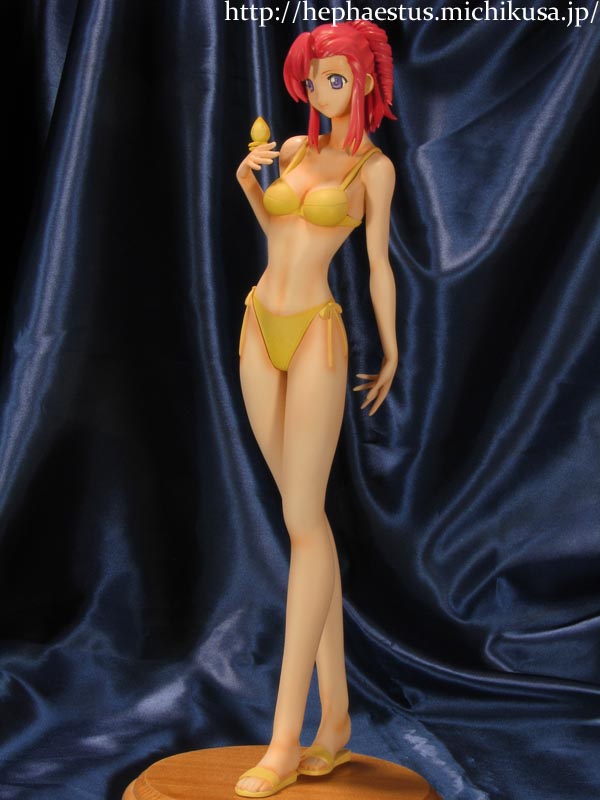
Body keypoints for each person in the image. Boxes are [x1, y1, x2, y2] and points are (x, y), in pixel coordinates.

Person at [235, 19, 398, 798]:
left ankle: (284, 740)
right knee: (305, 523)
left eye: (334, 77)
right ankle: (335, 719)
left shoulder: (373, 168)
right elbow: (279, 231)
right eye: (312, 79)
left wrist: (391, 347)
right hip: (257, 323)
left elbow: (376, 266)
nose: (320, 90)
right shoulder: (296, 151)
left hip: (316, 338)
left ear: (364, 80)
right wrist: (248, 182)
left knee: (304, 522)